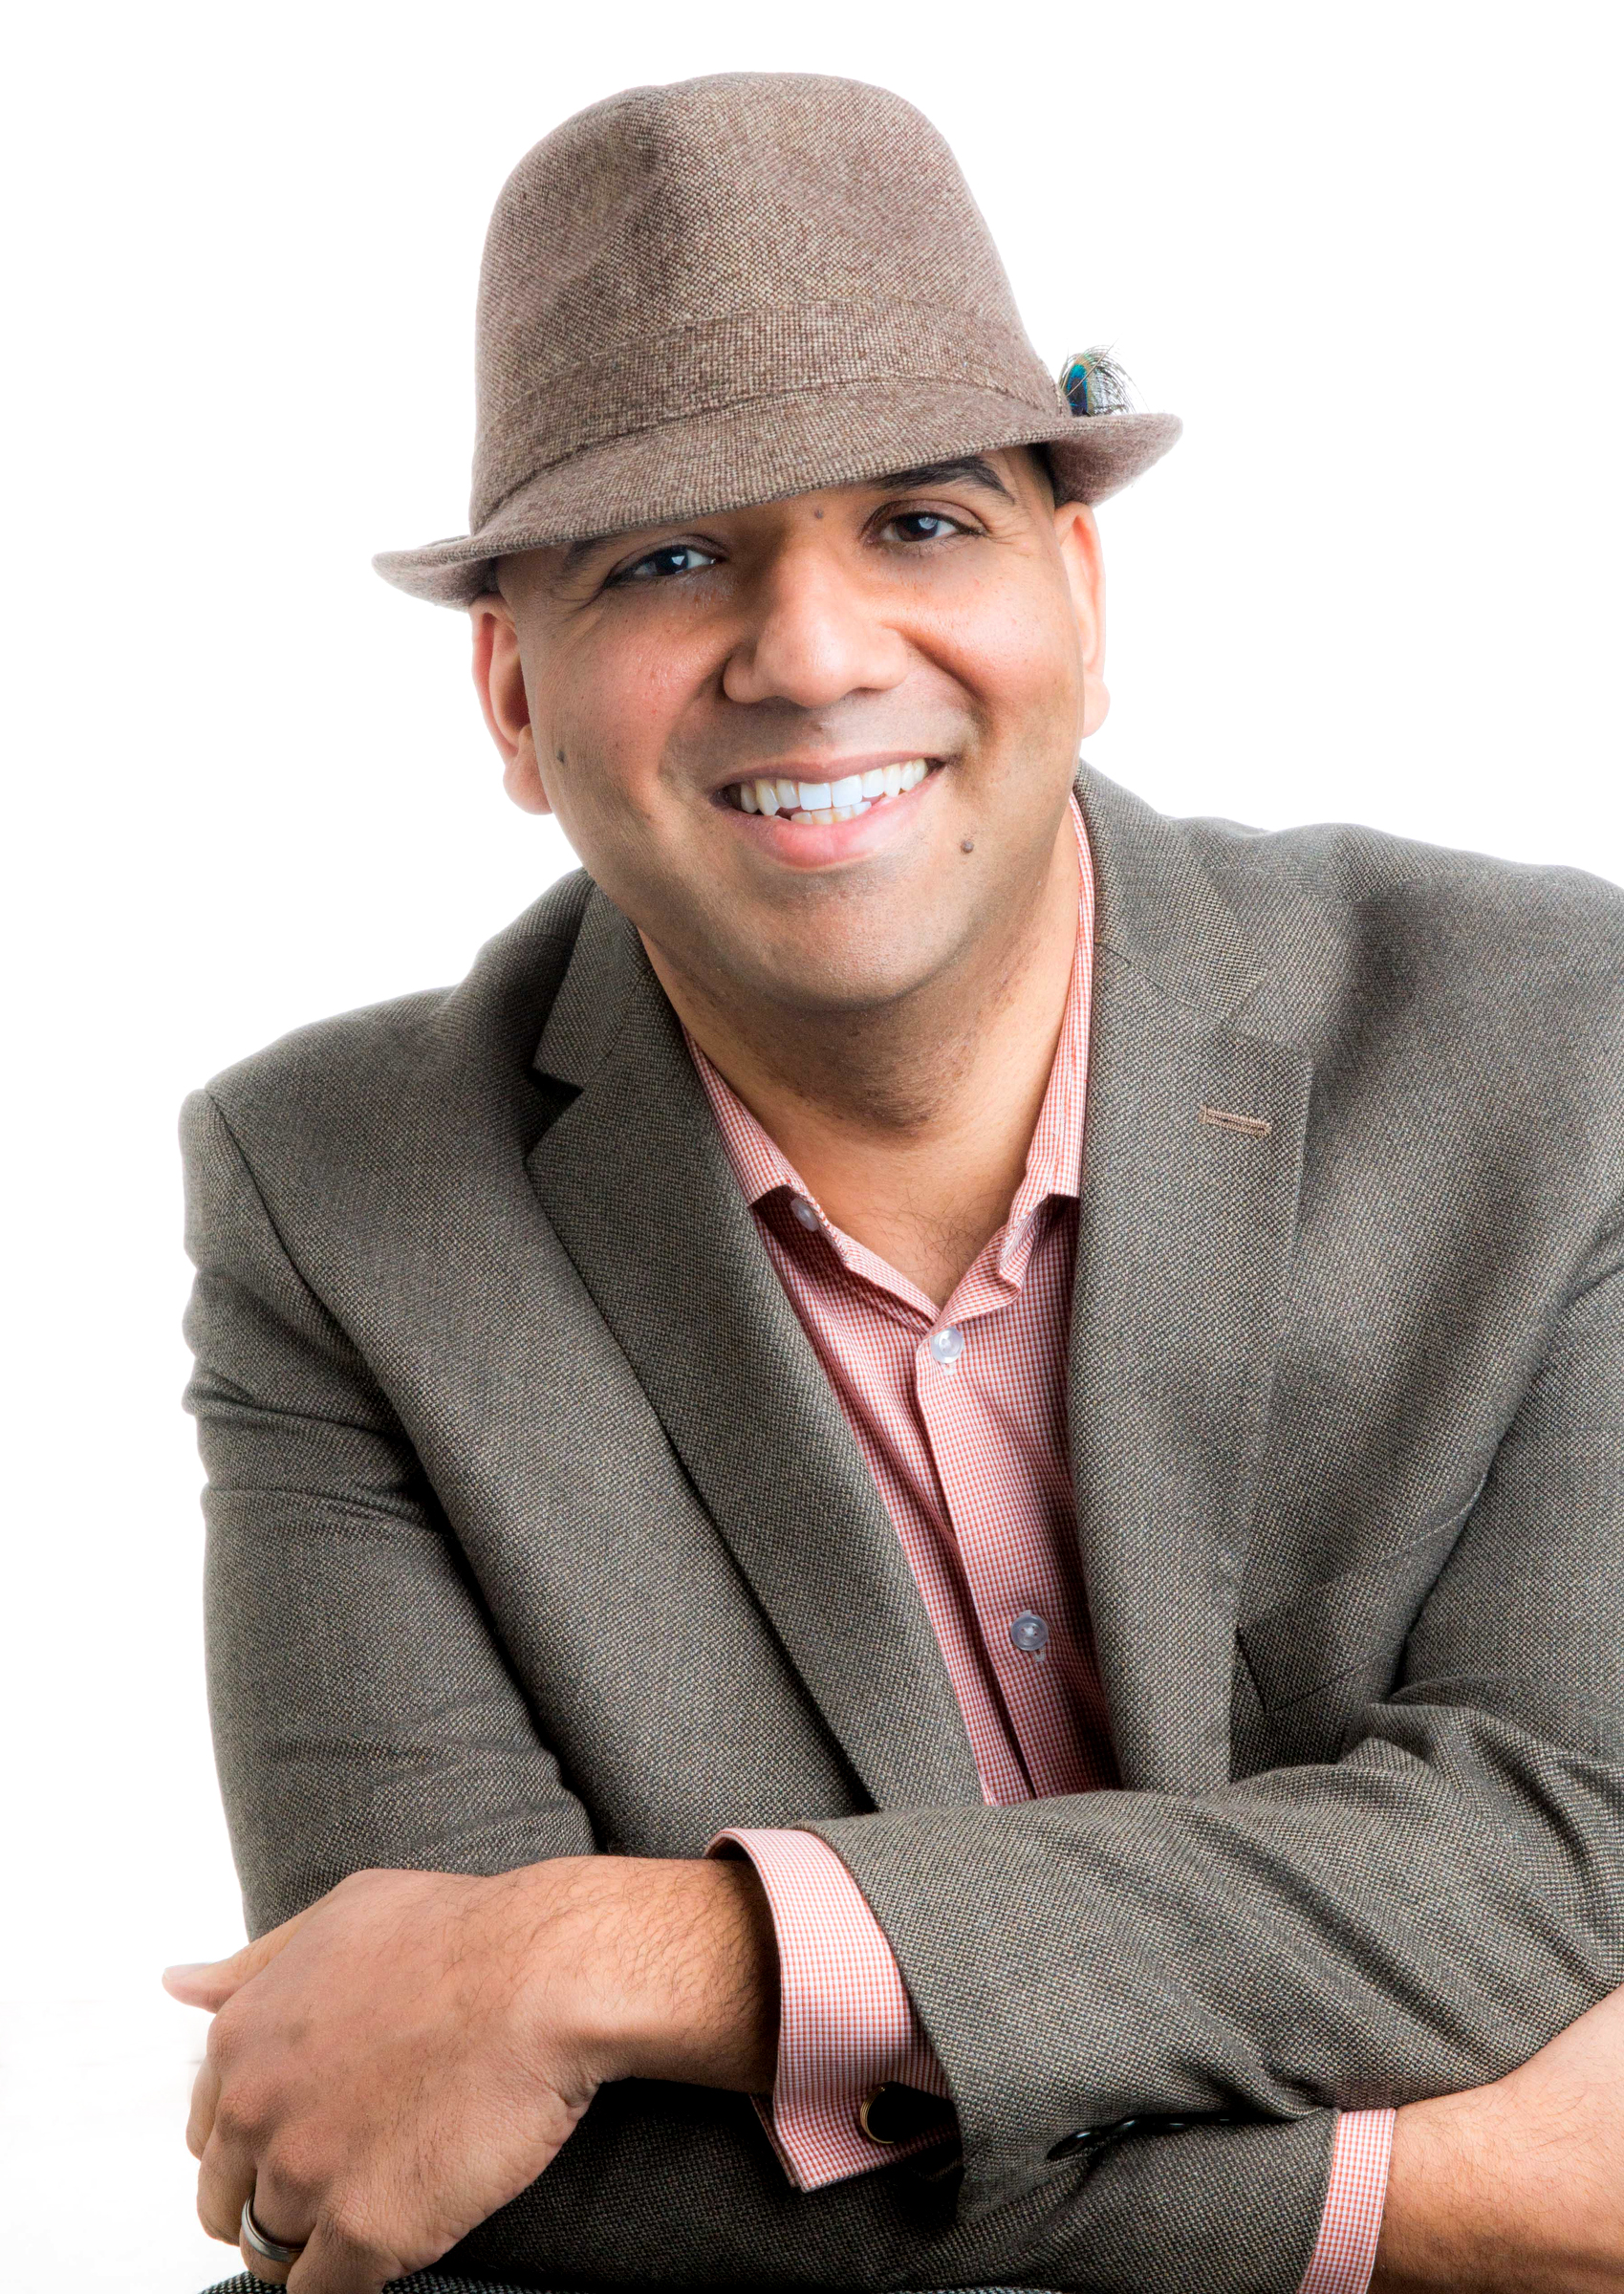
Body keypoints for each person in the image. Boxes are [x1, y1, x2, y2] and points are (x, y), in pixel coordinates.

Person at [167, 70, 1624, 2294]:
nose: (818, 653)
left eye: (922, 524)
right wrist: (1417, 2200)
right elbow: (422, 2140)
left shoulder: (1560, 1043)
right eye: (666, 561)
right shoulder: (334, 1198)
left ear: (1081, 594)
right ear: (511, 699)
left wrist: (630, 1954)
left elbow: (1557, 1846)